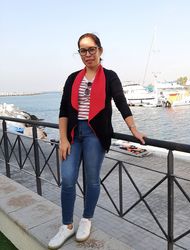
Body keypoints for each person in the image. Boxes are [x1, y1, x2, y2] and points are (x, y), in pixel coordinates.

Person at [48, 33, 145, 249]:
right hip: (74, 134)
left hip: (95, 134)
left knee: (92, 179)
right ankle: (66, 225)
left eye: (92, 49)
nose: (88, 54)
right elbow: (64, 110)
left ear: (100, 50)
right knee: (68, 178)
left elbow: (121, 103)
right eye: (83, 50)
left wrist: (133, 129)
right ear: (79, 53)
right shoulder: (73, 78)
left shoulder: (110, 76)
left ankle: (86, 219)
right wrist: (63, 139)